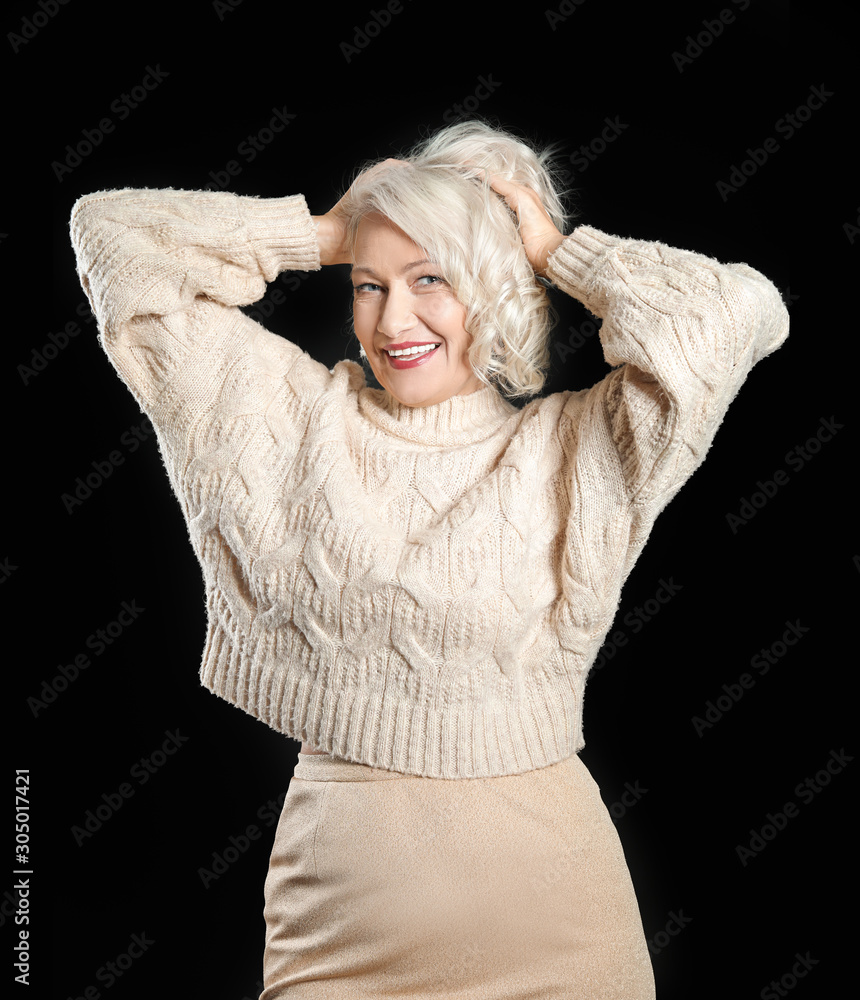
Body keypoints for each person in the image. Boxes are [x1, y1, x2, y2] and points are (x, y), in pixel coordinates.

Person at [68, 119, 789, 999]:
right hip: (338, 939)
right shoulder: (287, 419)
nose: (392, 319)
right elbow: (111, 235)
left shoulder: (574, 450)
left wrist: (553, 249)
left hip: (562, 938)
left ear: (496, 290)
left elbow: (738, 313)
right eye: (369, 286)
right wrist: (332, 230)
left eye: (431, 280)